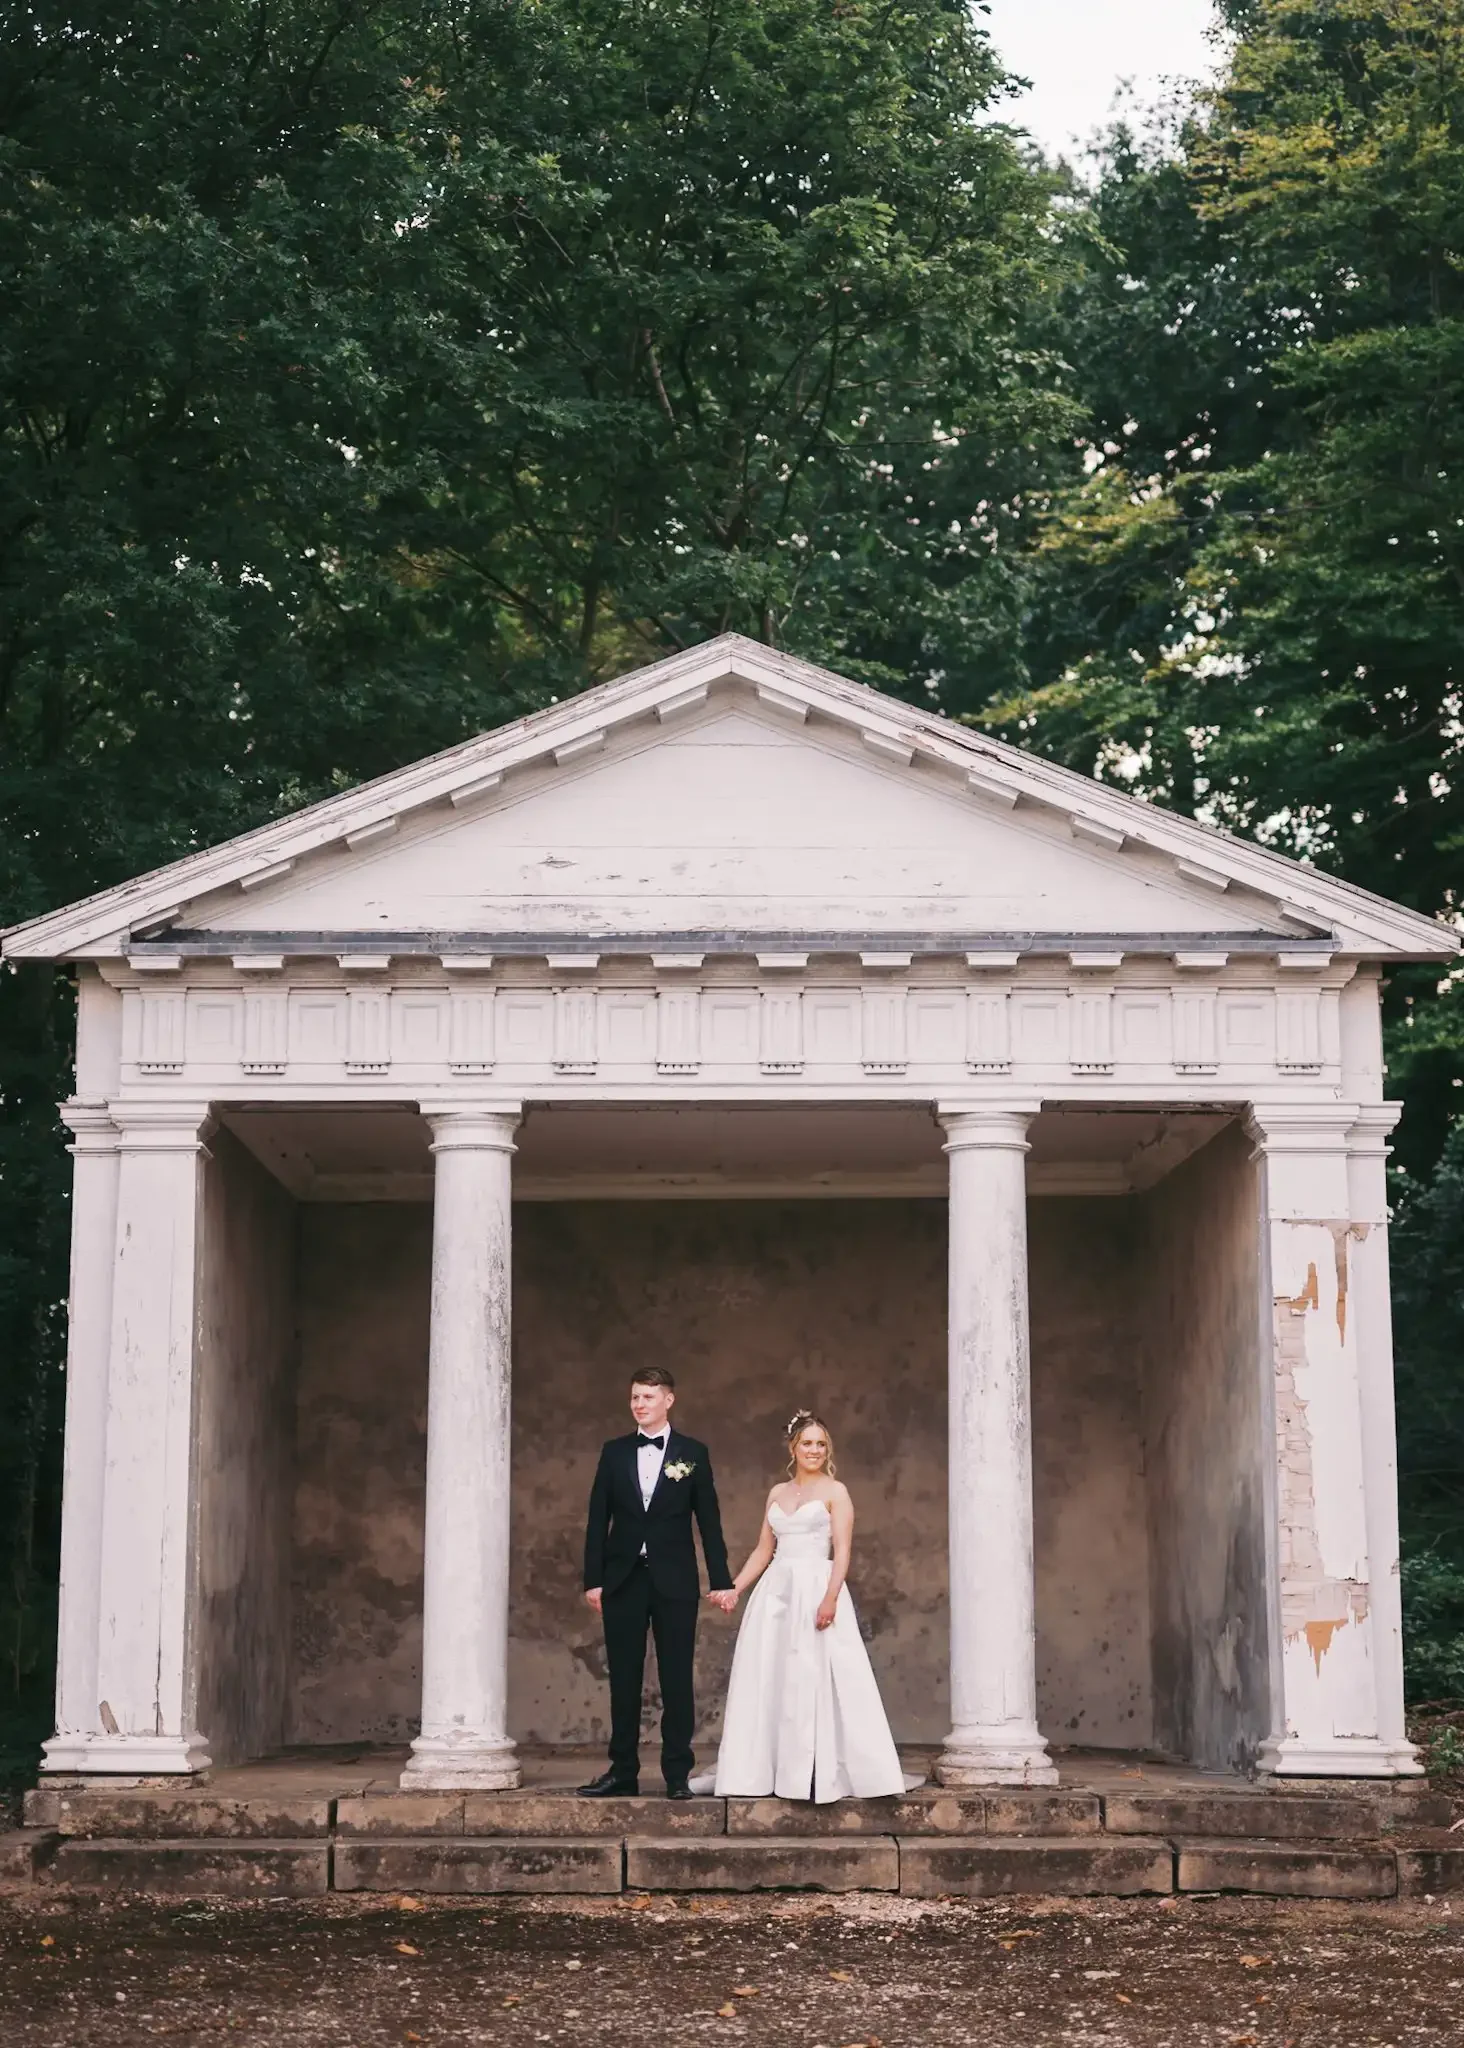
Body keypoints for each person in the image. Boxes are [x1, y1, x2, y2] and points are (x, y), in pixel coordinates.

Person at [710, 1410, 907, 1802]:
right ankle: (771, 1770)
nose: (814, 1450)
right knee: (773, 1675)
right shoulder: (776, 1493)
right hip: (776, 1593)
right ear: (793, 1448)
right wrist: (734, 1589)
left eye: (820, 1444)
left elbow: (843, 1550)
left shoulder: (837, 1492)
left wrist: (830, 1597)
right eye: (807, 1443)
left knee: (814, 1674)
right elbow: (763, 1550)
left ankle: (818, 1769)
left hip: (817, 1587)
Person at [579, 1367, 733, 1800]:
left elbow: (709, 1521)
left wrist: (721, 1580)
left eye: (648, 1396)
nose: (639, 1404)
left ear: (669, 1400)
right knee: (624, 1678)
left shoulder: (693, 1453)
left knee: (677, 1677)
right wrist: (594, 1579)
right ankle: (622, 1771)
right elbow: (597, 1519)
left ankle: (677, 1774)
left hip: (675, 1581)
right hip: (622, 1580)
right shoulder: (613, 1452)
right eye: (635, 1397)